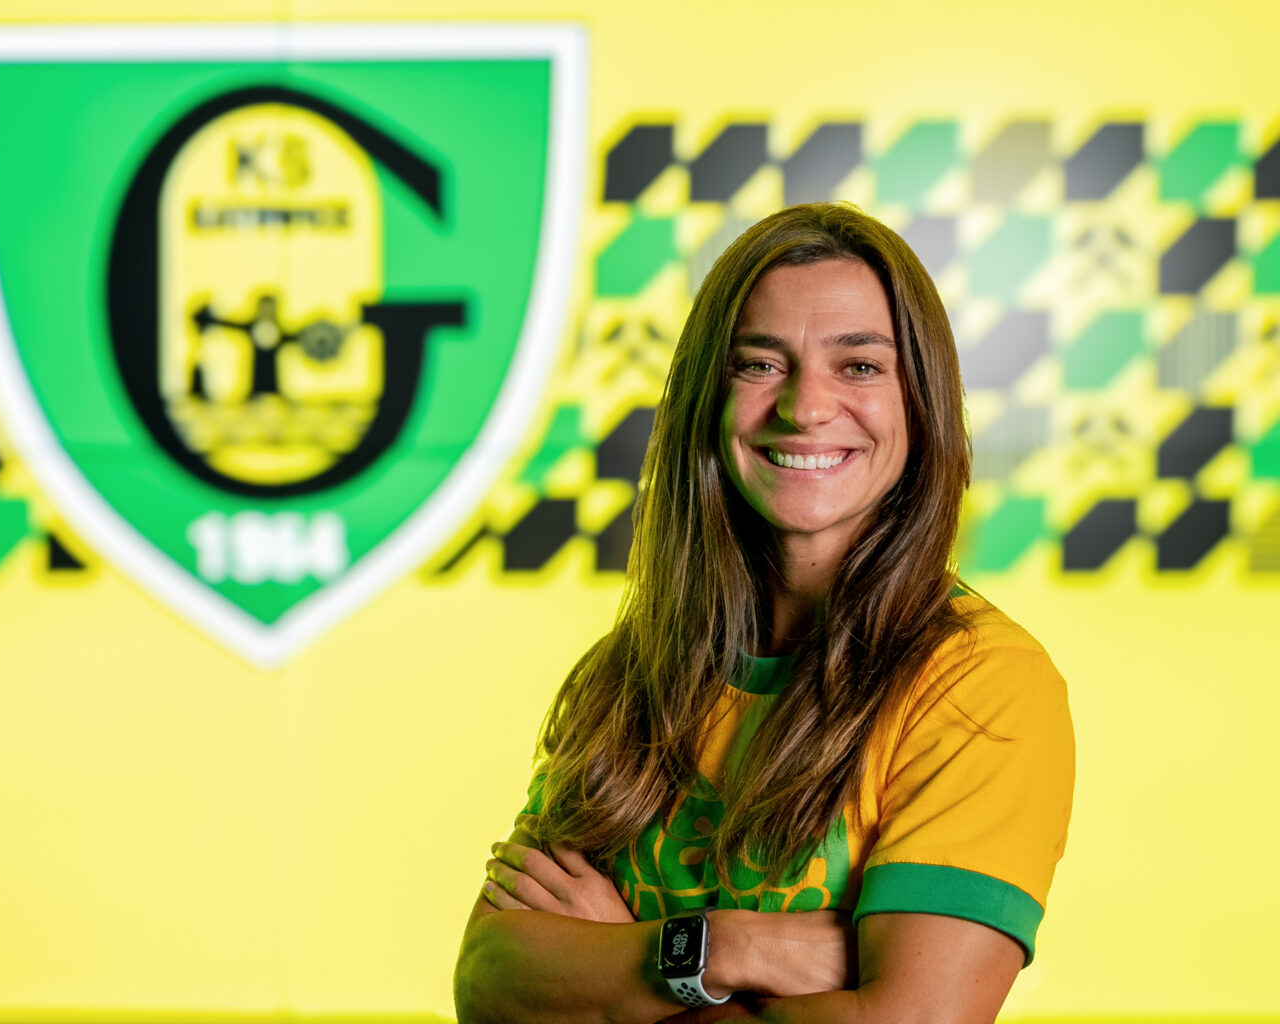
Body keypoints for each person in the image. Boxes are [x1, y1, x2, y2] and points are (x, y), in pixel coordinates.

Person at [453, 203, 1074, 1024]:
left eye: (859, 366)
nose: (805, 407)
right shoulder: (634, 665)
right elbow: (490, 981)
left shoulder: (980, 685)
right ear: (708, 398)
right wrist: (732, 949)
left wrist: (626, 968)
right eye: (760, 364)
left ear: (920, 401)